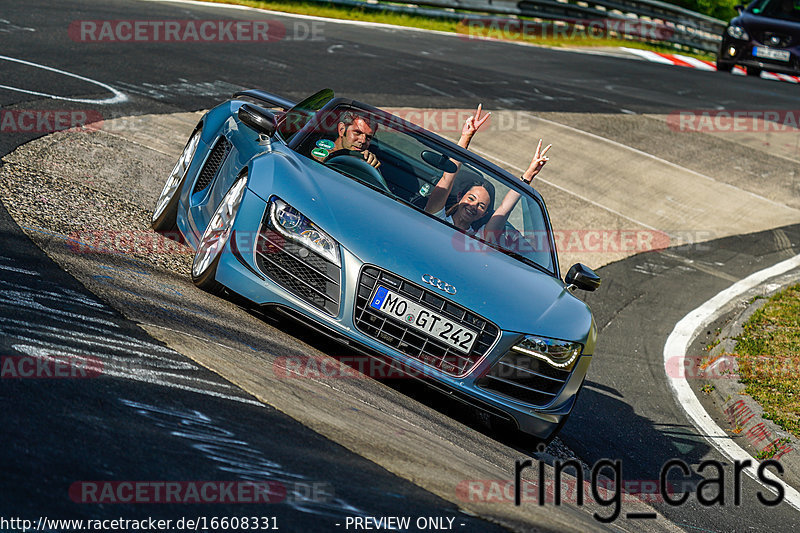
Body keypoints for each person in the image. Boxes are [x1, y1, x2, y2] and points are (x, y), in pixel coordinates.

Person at [424, 105, 551, 236]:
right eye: (471, 198)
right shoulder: (436, 215)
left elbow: (504, 209)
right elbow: (447, 178)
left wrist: (528, 176)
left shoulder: (479, 238)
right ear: (460, 197)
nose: (473, 206)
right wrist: (465, 138)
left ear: (484, 214)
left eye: (481, 206)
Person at [313, 110, 382, 169]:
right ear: (341, 129)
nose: (363, 141)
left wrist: (370, 166)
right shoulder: (317, 151)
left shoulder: (367, 161)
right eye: (357, 132)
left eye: (368, 137)